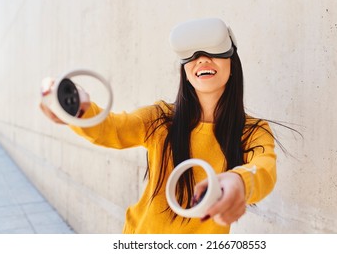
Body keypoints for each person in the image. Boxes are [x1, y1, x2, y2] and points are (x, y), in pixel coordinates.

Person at [40, 17, 277, 234]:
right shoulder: (160, 118)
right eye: (191, 55)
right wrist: (77, 110)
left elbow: (264, 169)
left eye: (213, 51)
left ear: (232, 63)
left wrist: (238, 181)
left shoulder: (253, 132)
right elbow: (113, 129)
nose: (202, 59)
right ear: (184, 70)